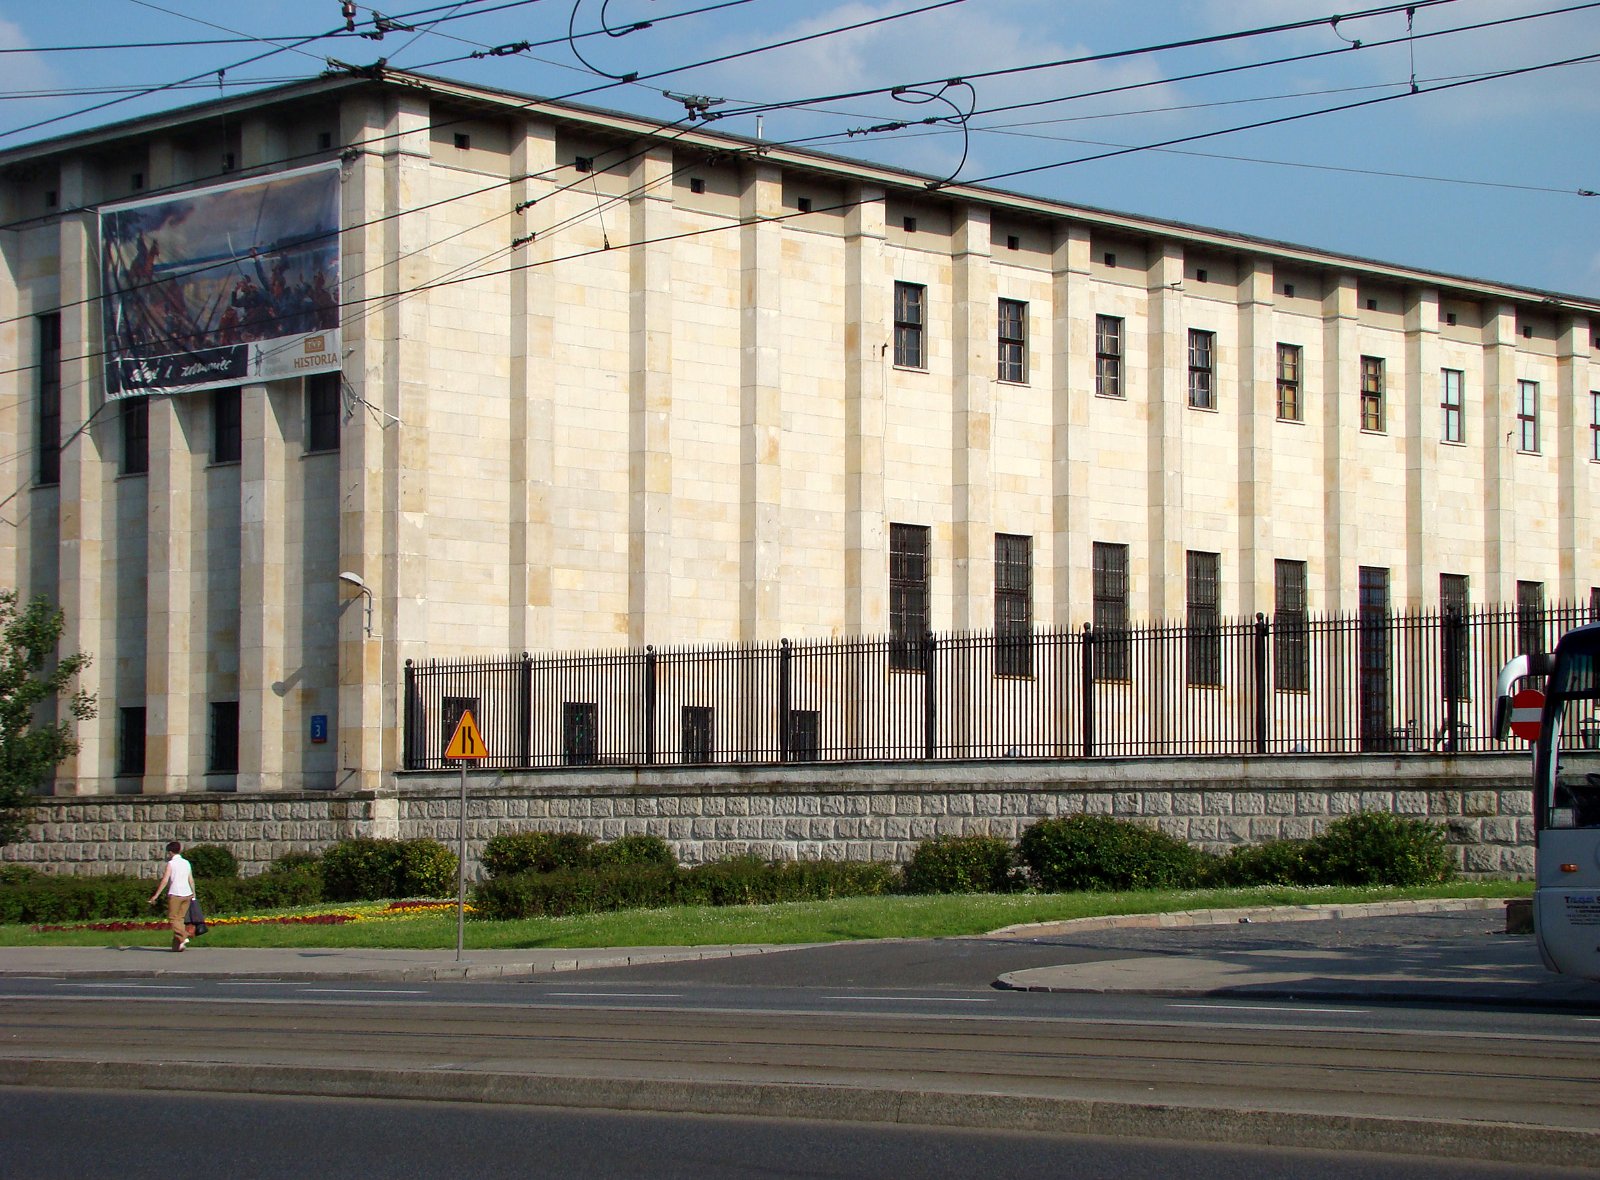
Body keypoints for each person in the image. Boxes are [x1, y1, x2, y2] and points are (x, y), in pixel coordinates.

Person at [149, 840, 196, 952]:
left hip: (175, 894)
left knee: (173, 919)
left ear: (170, 852)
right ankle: (177, 946)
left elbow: (165, 880)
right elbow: (191, 880)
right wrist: (194, 894)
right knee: (180, 919)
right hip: (187, 893)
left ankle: (185, 935)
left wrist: (156, 895)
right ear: (179, 850)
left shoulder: (171, 864)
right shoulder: (186, 863)